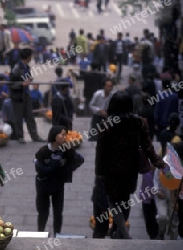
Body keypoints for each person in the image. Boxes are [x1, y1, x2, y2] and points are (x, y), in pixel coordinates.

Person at [95, 91, 166, 239]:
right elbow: (148, 147)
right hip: (130, 169)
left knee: (114, 201)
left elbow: (100, 150)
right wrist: (159, 163)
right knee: (125, 200)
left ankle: (121, 232)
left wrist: (99, 172)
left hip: (111, 171)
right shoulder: (139, 123)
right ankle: (119, 231)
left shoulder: (106, 125)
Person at [34, 126, 84, 236]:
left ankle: (58, 234)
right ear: (54, 136)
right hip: (44, 186)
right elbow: (38, 167)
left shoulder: (67, 150)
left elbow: (80, 159)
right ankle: (40, 234)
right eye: (62, 134)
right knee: (43, 213)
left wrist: (67, 169)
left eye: (66, 134)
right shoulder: (44, 151)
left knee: (58, 213)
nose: (65, 137)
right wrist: (51, 170)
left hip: (58, 186)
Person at [9, 46, 44, 143]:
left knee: (30, 116)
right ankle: (20, 136)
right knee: (18, 117)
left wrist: (29, 80)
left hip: (26, 94)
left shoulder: (26, 67)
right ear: (28, 57)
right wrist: (21, 84)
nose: (31, 58)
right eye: (31, 56)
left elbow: (29, 78)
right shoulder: (16, 68)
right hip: (18, 96)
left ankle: (34, 135)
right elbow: (11, 83)